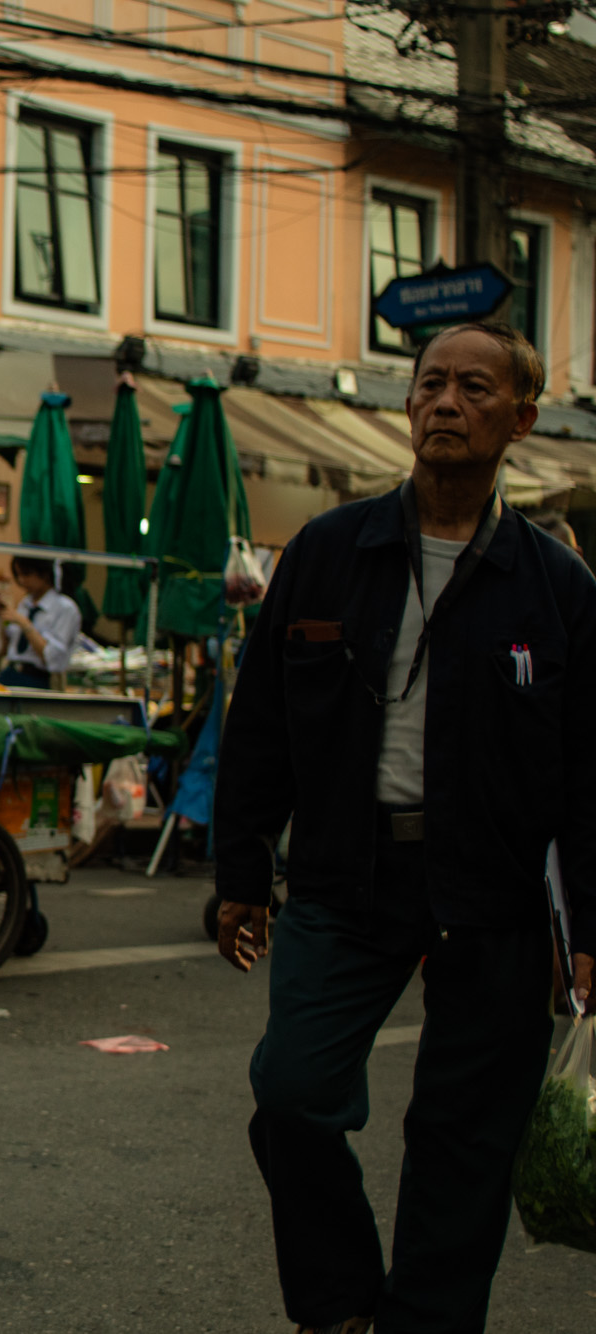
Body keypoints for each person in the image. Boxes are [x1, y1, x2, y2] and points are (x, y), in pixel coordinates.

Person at [215, 322, 596, 1334]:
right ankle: (339, 1306)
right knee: (290, 1093)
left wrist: (585, 928)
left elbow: (588, 778)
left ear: (518, 418)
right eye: (430, 382)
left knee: (463, 1141)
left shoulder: (557, 590)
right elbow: (257, 721)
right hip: (346, 876)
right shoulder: (330, 552)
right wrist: (239, 868)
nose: (444, 401)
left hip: (496, 895)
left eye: (474, 387)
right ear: (406, 403)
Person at [0, 556, 79, 688]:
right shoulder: (26, 603)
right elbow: (8, 646)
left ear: (44, 574)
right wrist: (1, 616)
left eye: (26, 574)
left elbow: (52, 658)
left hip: (37, 679)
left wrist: (25, 624)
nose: (22, 580)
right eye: (18, 575)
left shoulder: (65, 608)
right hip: (10, 673)